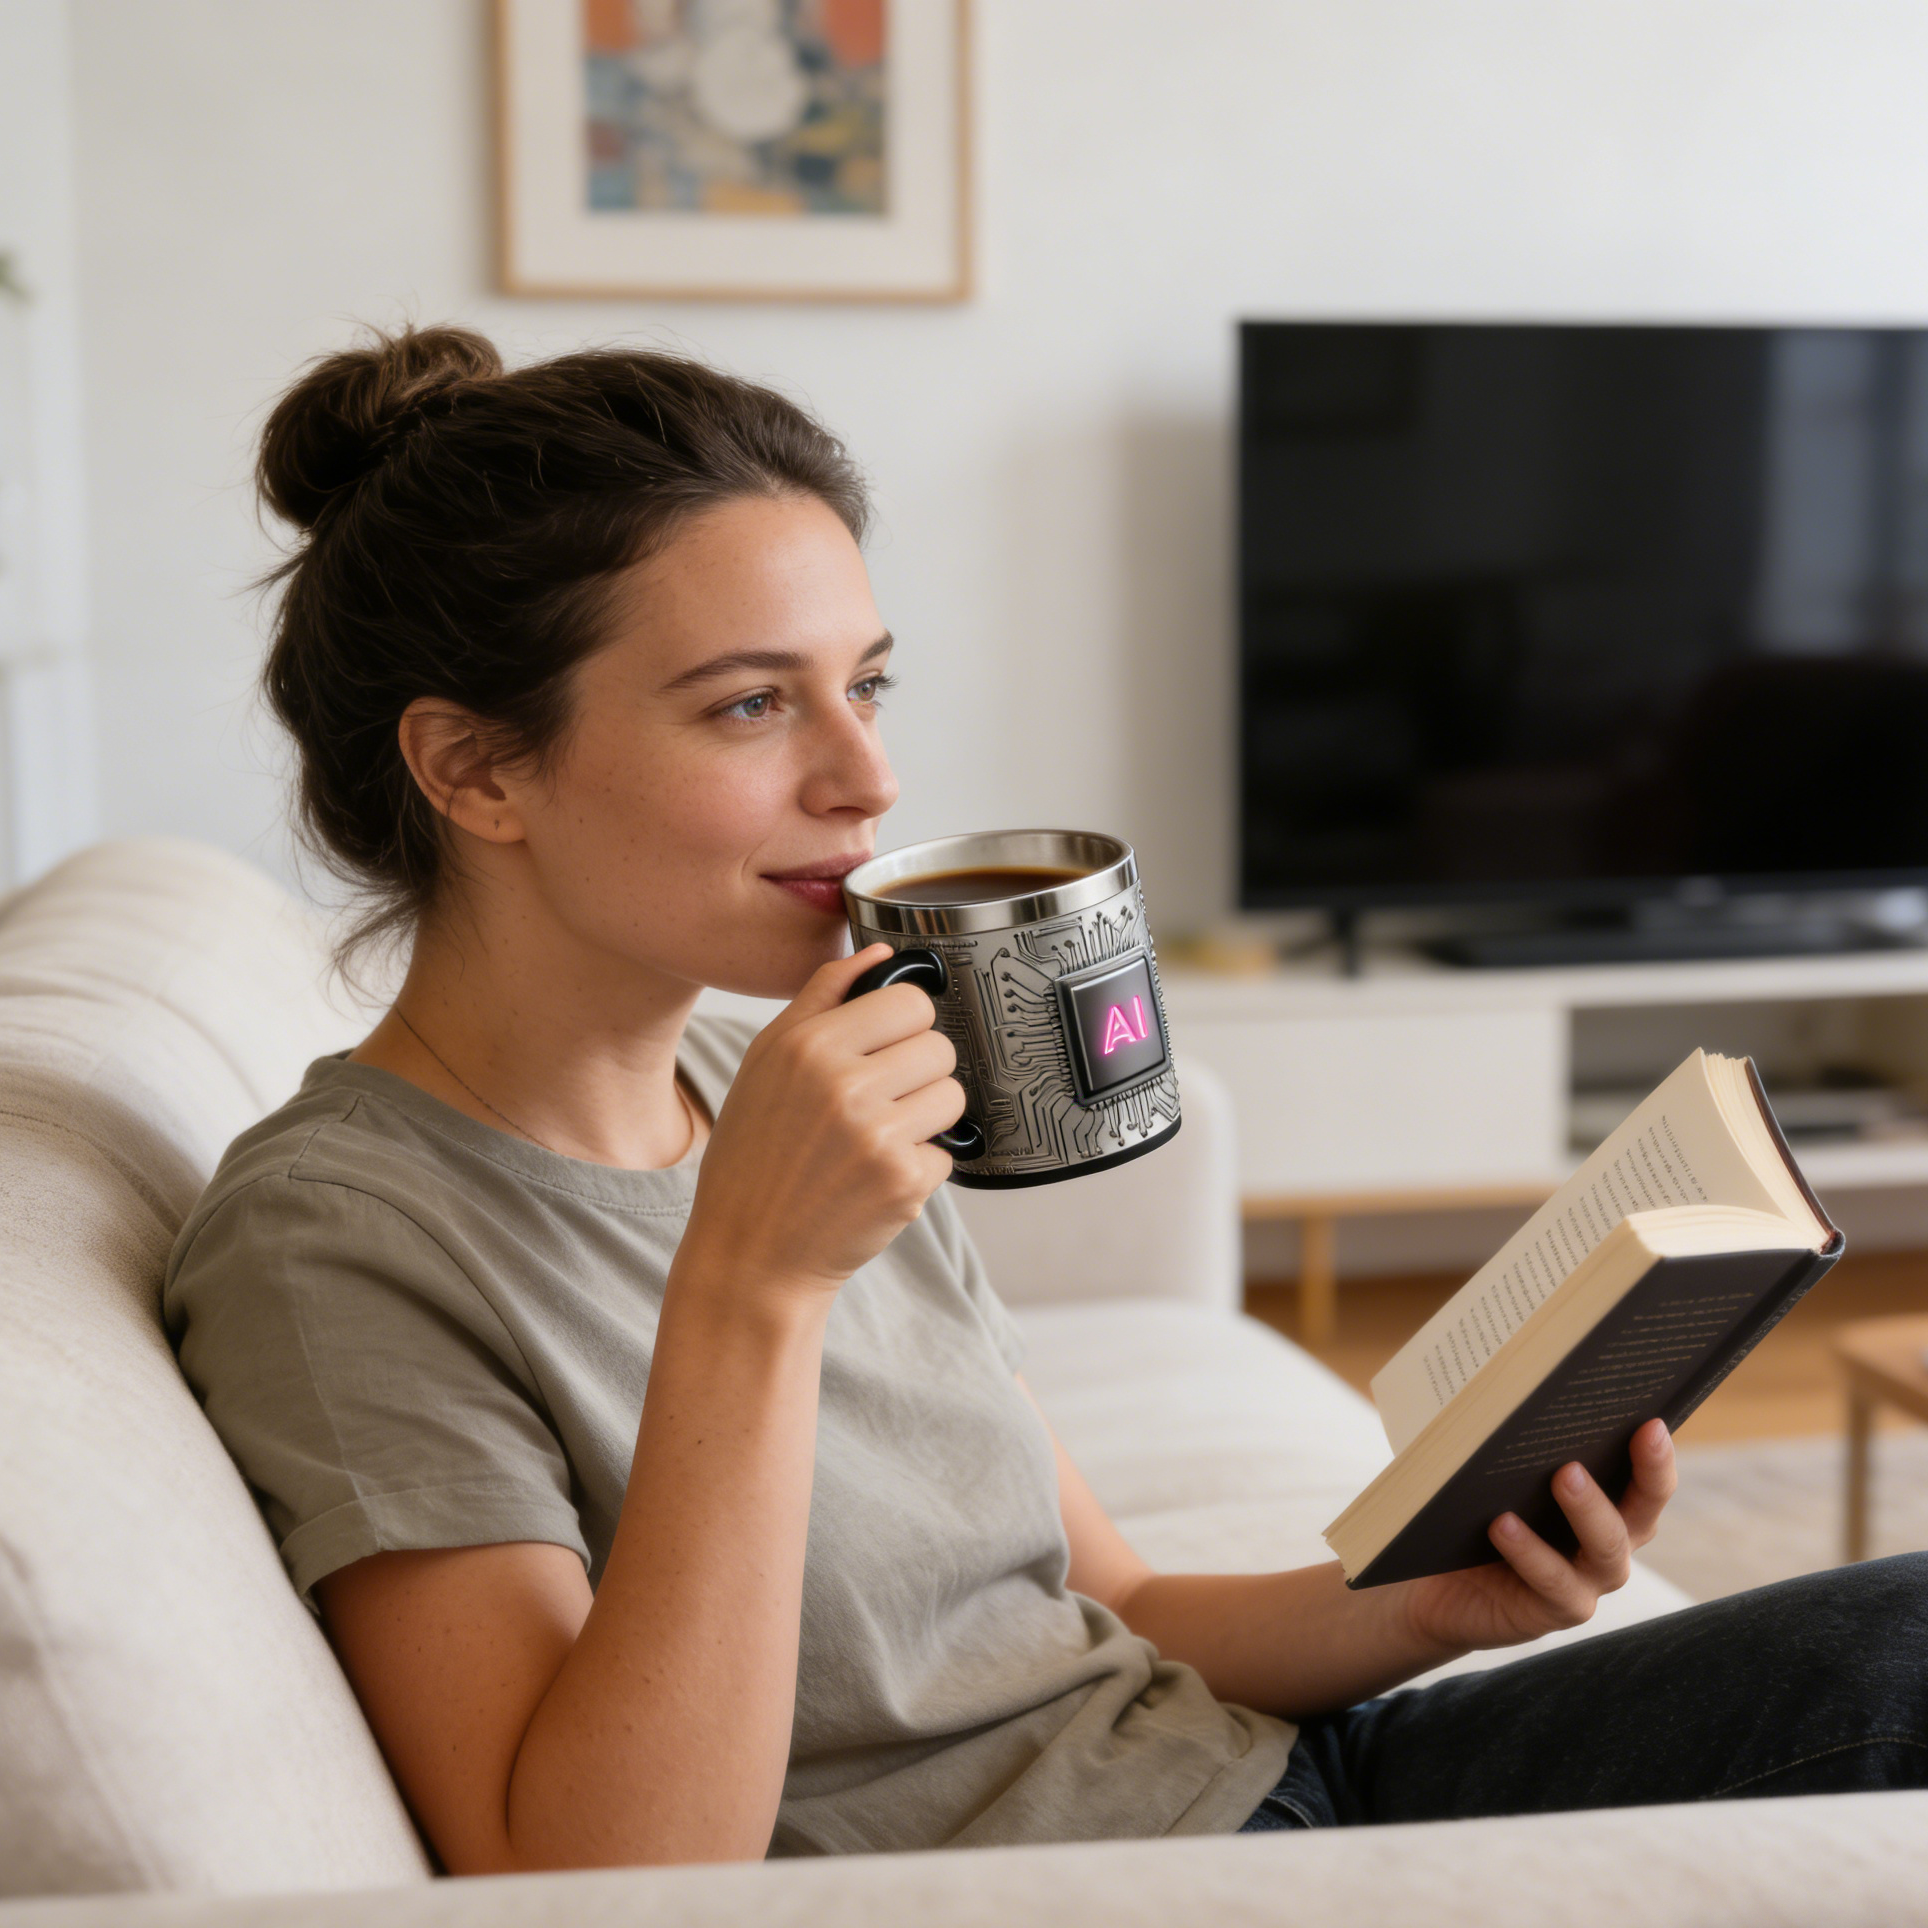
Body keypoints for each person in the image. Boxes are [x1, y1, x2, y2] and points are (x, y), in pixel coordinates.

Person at [163, 322, 1928, 1875]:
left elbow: (1119, 1610)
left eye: (865, 684)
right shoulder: (338, 1245)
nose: (869, 776)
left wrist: (1434, 1607)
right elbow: (597, 1872)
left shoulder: (774, 1082)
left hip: (1284, 1783)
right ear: (474, 768)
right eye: (751, 706)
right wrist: (753, 1282)